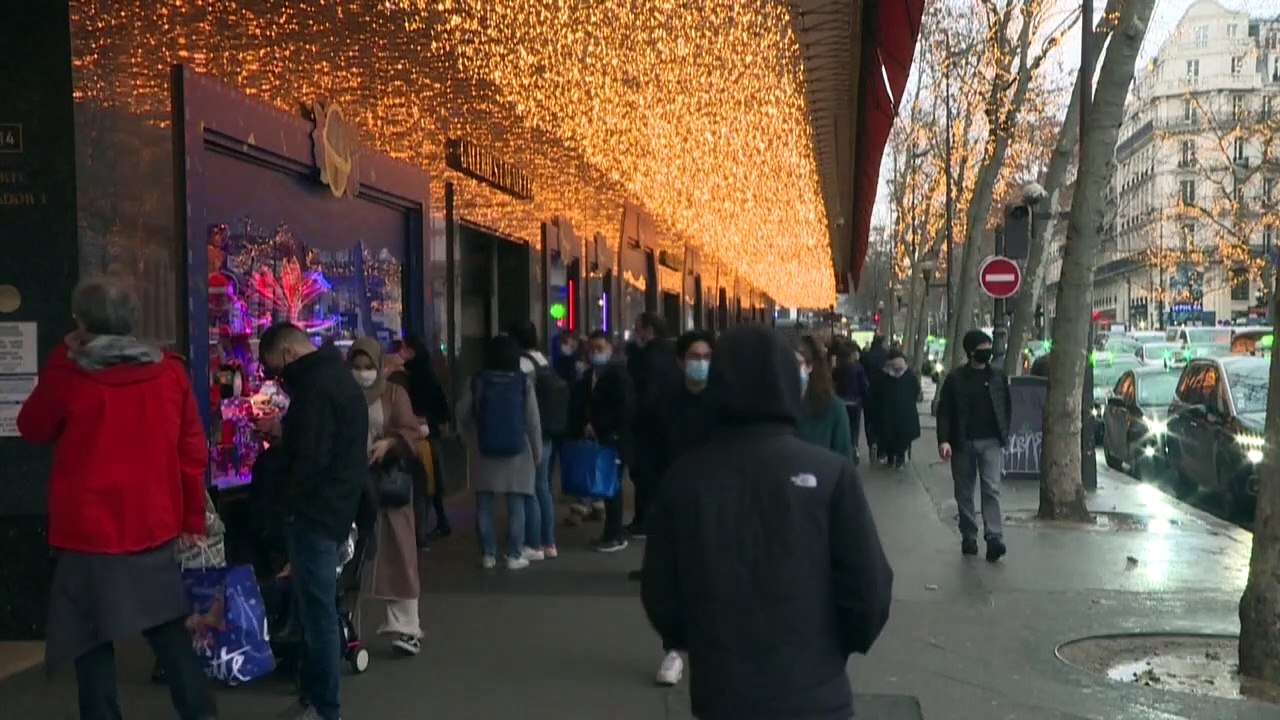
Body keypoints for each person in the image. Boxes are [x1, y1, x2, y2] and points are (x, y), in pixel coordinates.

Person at [640, 325, 893, 720]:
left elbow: (660, 589)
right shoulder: (829, 475)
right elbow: (869, 586)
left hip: (723, 690)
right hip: (815, 689)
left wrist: (698, 640)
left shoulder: (686, 480)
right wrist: (836, 647)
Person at [17, 277, 218, 720]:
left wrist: (60, 357)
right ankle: (200, 713)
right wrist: (190, 519)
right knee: (167, 627)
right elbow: (191, 450)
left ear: (82, 322)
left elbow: (32, 427)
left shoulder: (70, 375)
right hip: (153, 521)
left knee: (91, 636)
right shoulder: (169, 372)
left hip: (88, 528)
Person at [258, 322, 369, 720]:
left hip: (314, 514)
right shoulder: (335, 378)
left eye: (275, 370)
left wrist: (285, 505)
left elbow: (310, 457)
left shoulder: (314, 388)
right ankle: (315, 697)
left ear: (288, 354)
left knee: (317, 611)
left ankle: (324, 705)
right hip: (335, 509)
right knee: (316, 606)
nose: (277, 379)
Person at [646, 329, 720, 686]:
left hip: (717, 503)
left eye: (707, 357)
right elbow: (651, 454)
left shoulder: (725, 406)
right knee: (676, 576)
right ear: (681, 361)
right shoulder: (664, 404)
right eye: (694, 357)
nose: (700, 364)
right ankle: (675, 649)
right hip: (674, 502)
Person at [347, 338, 425, 655]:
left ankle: (406, 627)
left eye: (368, 367)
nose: (363, 373)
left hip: (387, 483)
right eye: (357, 367)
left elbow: (410, 431)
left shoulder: (394, 393)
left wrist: (390, 443)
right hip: (352, 483)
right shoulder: (343, 394)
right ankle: (348, 626)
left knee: (400, 551)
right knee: (350, 557)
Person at [455, 334, 543, 569]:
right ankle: (514, 554)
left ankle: (488, 554)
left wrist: (468, 438)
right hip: (518, 451)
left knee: (484, 504)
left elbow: (461, 413)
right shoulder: (523, 382)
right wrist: (537, 449)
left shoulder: (477, 381)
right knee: (516, 504)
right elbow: (533, 420)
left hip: (484, 449)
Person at [936, 329, 1011, 562]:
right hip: (962, 442)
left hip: (990, 441)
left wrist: (1004, 433)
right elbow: (945, 412)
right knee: (964, 491)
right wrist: (944, 440)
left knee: (991, 489)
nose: (987, 352)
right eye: (982, 349)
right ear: (970, 352)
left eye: (989, 347)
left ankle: (994, 537)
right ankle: (969, 534)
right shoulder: (955, 379)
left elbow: (1006, 406)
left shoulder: (997, 376)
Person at [568, 330, 635, 552]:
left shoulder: (618, 376)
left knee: (612, 487)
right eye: (592, 349)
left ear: (610, 349)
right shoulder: (588, 376)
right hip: (598, 439)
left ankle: (615, 535)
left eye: (600, 348)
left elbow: (624, 409)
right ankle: (610, 532)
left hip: (614, 439)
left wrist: (600, 426)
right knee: (605, 486)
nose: (596, 353)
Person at [624, 312, 682, 537]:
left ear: (649, 330)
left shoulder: (645, 358)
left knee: (644, 475)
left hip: (646, 425)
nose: (635, 333)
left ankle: (644, 520)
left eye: (638, 328)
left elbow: (642, 392)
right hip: (666, 423)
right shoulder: (672, 354)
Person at [511, 320, 561, 561]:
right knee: (543, 487)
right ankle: (549, 541)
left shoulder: (522, 365)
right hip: (548, 432)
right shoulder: (544, 361)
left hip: (532, 432)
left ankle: (534, 542)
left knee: (530, 489)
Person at [400, 334, 453, 540]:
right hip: (430, 433)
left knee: (425, 482)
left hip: (423, 435)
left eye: (404, 349)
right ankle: (440, 521)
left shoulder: (414, 376)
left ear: (412, 351)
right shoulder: (426, 371)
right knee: (432, 482)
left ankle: (424, 528)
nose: (401, 353)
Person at [794, 335, 855, 460]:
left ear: (810, 366)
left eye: (797, 363)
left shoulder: (833, 408)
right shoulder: (772, 409)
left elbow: (844, 460)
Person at [870, 351, 921, 469]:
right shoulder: (909, 375)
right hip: (898, 412)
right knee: (891, 436)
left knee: (899, 436)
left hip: (896, 413)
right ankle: (895, 458)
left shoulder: (886, 376)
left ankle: (897, 458)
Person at [832, 342, 869, 465]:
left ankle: (844, 449)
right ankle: (854, 449)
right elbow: (864, 386)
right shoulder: (858, 368)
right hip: (855, 402)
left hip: (841, 402)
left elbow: (833, 383)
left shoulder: (838, 369)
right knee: (854, 428)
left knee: (843, 427)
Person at [861, 335, 889, 462]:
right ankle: (881, 450)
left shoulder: (866, 356)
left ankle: (871, 442)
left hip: (868, 393)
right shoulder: (886, 356)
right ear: (882, 342)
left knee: (869, 421)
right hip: (883, 394)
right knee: (882, 421)